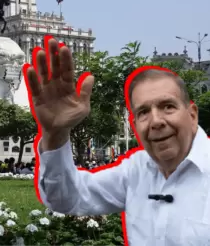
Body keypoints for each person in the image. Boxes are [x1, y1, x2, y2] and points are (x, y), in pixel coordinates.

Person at [26, 37, 210, 245]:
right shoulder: (136, 170)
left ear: (192, 115)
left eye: (168, 106)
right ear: (134, 125)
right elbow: (66, 198)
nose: (156, 121)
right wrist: (55, 133)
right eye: (143, 112)